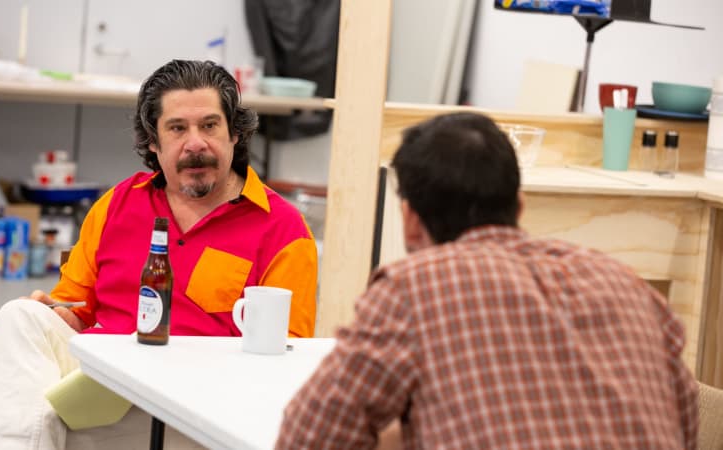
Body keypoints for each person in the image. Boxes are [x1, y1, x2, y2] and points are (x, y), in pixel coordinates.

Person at [276, 112, 698, 449]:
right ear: (520, 204)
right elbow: (684, 423)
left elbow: (308, 439)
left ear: (410, 221)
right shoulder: (625, 282)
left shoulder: (416, 289)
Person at [0, 60, 318, 450]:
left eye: (209, 126)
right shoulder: (117, 204)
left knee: (40, 421)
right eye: (177, 129)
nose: (195, 143)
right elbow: (77, 308)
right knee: (19, 316)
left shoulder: (283, 230)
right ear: (153, 143)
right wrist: (55, 310)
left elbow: (286, 362)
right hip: (102, 391)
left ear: (235, 135)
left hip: (198, 411)